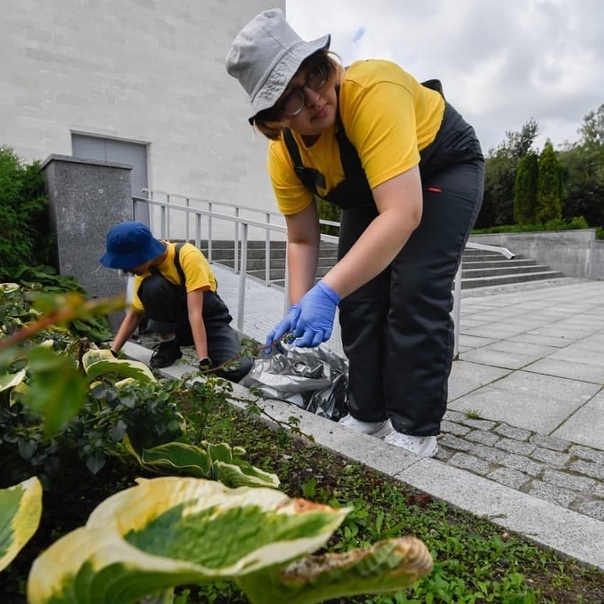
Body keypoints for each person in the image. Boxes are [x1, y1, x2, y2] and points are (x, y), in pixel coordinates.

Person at [226, 8, 484, 456]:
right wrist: (299, 308)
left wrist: (324, 291)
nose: (315, 99)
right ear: (272, 119)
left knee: (415, 290)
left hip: (441, 167)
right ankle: (368, 415)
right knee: (359, 300)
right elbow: (303, 239)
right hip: (371, 191)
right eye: (291, 98)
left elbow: (402, 213)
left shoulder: (372, 92)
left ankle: (415, 430)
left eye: (316, 75)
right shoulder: (284, 155)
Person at [100, 221, 252, 382]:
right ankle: (169, 345)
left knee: (239, 367)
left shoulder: (187, 255)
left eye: (128, 265)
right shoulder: (145, 272)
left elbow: (195, 313)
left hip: (209, 322)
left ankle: (217, 357)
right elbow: (134, 316)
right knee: (152, 286)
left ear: (144, 254)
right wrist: (113, 352)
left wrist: (204, 361)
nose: (126, 271)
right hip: (177, 326)